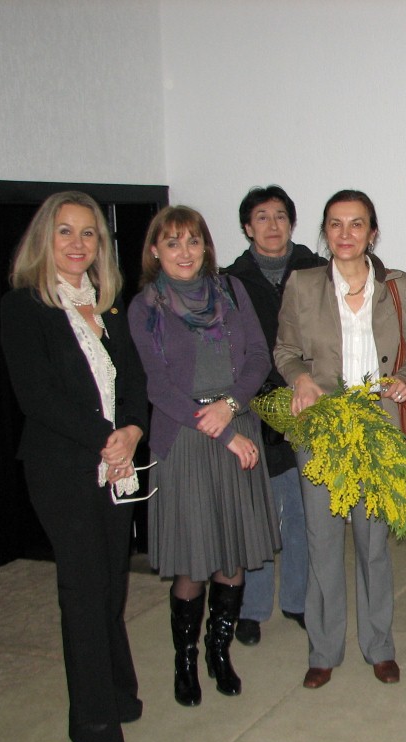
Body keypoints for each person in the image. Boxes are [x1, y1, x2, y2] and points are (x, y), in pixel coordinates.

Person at [1, 191, 147, 742]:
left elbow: (132, 381)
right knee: (84, 592)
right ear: (46, 238)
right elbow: (38, 397)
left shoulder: (109, 304)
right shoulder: (24, 307)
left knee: (112, 584)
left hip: (117, 461)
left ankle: (119, 692)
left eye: (88, 233)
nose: (78, 243)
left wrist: (131, 431)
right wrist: (108, 439)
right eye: (65, 231)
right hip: (64, 469)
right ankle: (92, 722)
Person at [128, 205, 279, 707]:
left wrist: (230, 406)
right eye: (172, 242)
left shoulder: (230, 290)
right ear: (155, 251)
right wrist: (219, 428)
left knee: (231, 553)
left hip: (235, 424)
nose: (185, 252)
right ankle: (186, 660)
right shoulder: (146, 307)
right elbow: (157, 386)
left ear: (206, 247)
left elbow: (258, 356)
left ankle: (219, 652)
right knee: (194, 560)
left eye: (193, 241)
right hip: (186, 440)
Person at [274, 189, 406, 690]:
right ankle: (324, 649)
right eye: (335, 224)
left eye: (357, 224)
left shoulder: (397, 285)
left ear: (372, 232)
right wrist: (300, 379)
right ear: (324, 232)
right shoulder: (303, 283)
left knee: (373, 544)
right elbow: (285, 349)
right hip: (322, 424)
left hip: (376, 425)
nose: (346, 234)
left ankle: (379, 646)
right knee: (322, 540)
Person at [223, 185, 325, 646]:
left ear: (292, 223)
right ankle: (252, 607)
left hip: (307, 403)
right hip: (253, 407)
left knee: (304, 511)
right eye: (261, 217)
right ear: (248, 227)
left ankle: (297, 600)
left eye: (280, 216)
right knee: (258, 513)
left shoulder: (316, 269)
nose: (272, 225)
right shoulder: (230, 281)